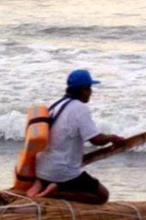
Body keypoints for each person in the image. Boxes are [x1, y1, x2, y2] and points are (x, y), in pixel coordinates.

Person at [25, 69, 126, 205]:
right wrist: (113, 138)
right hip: (61, 172)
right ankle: (55, 193)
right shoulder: (79, 109)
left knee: (71, 176)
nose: (91, 92)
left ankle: (43, 184)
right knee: (102, 196)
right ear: (84, 90)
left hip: (41, 168)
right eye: (90, 88)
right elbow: (95, 140)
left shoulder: (56, 105)